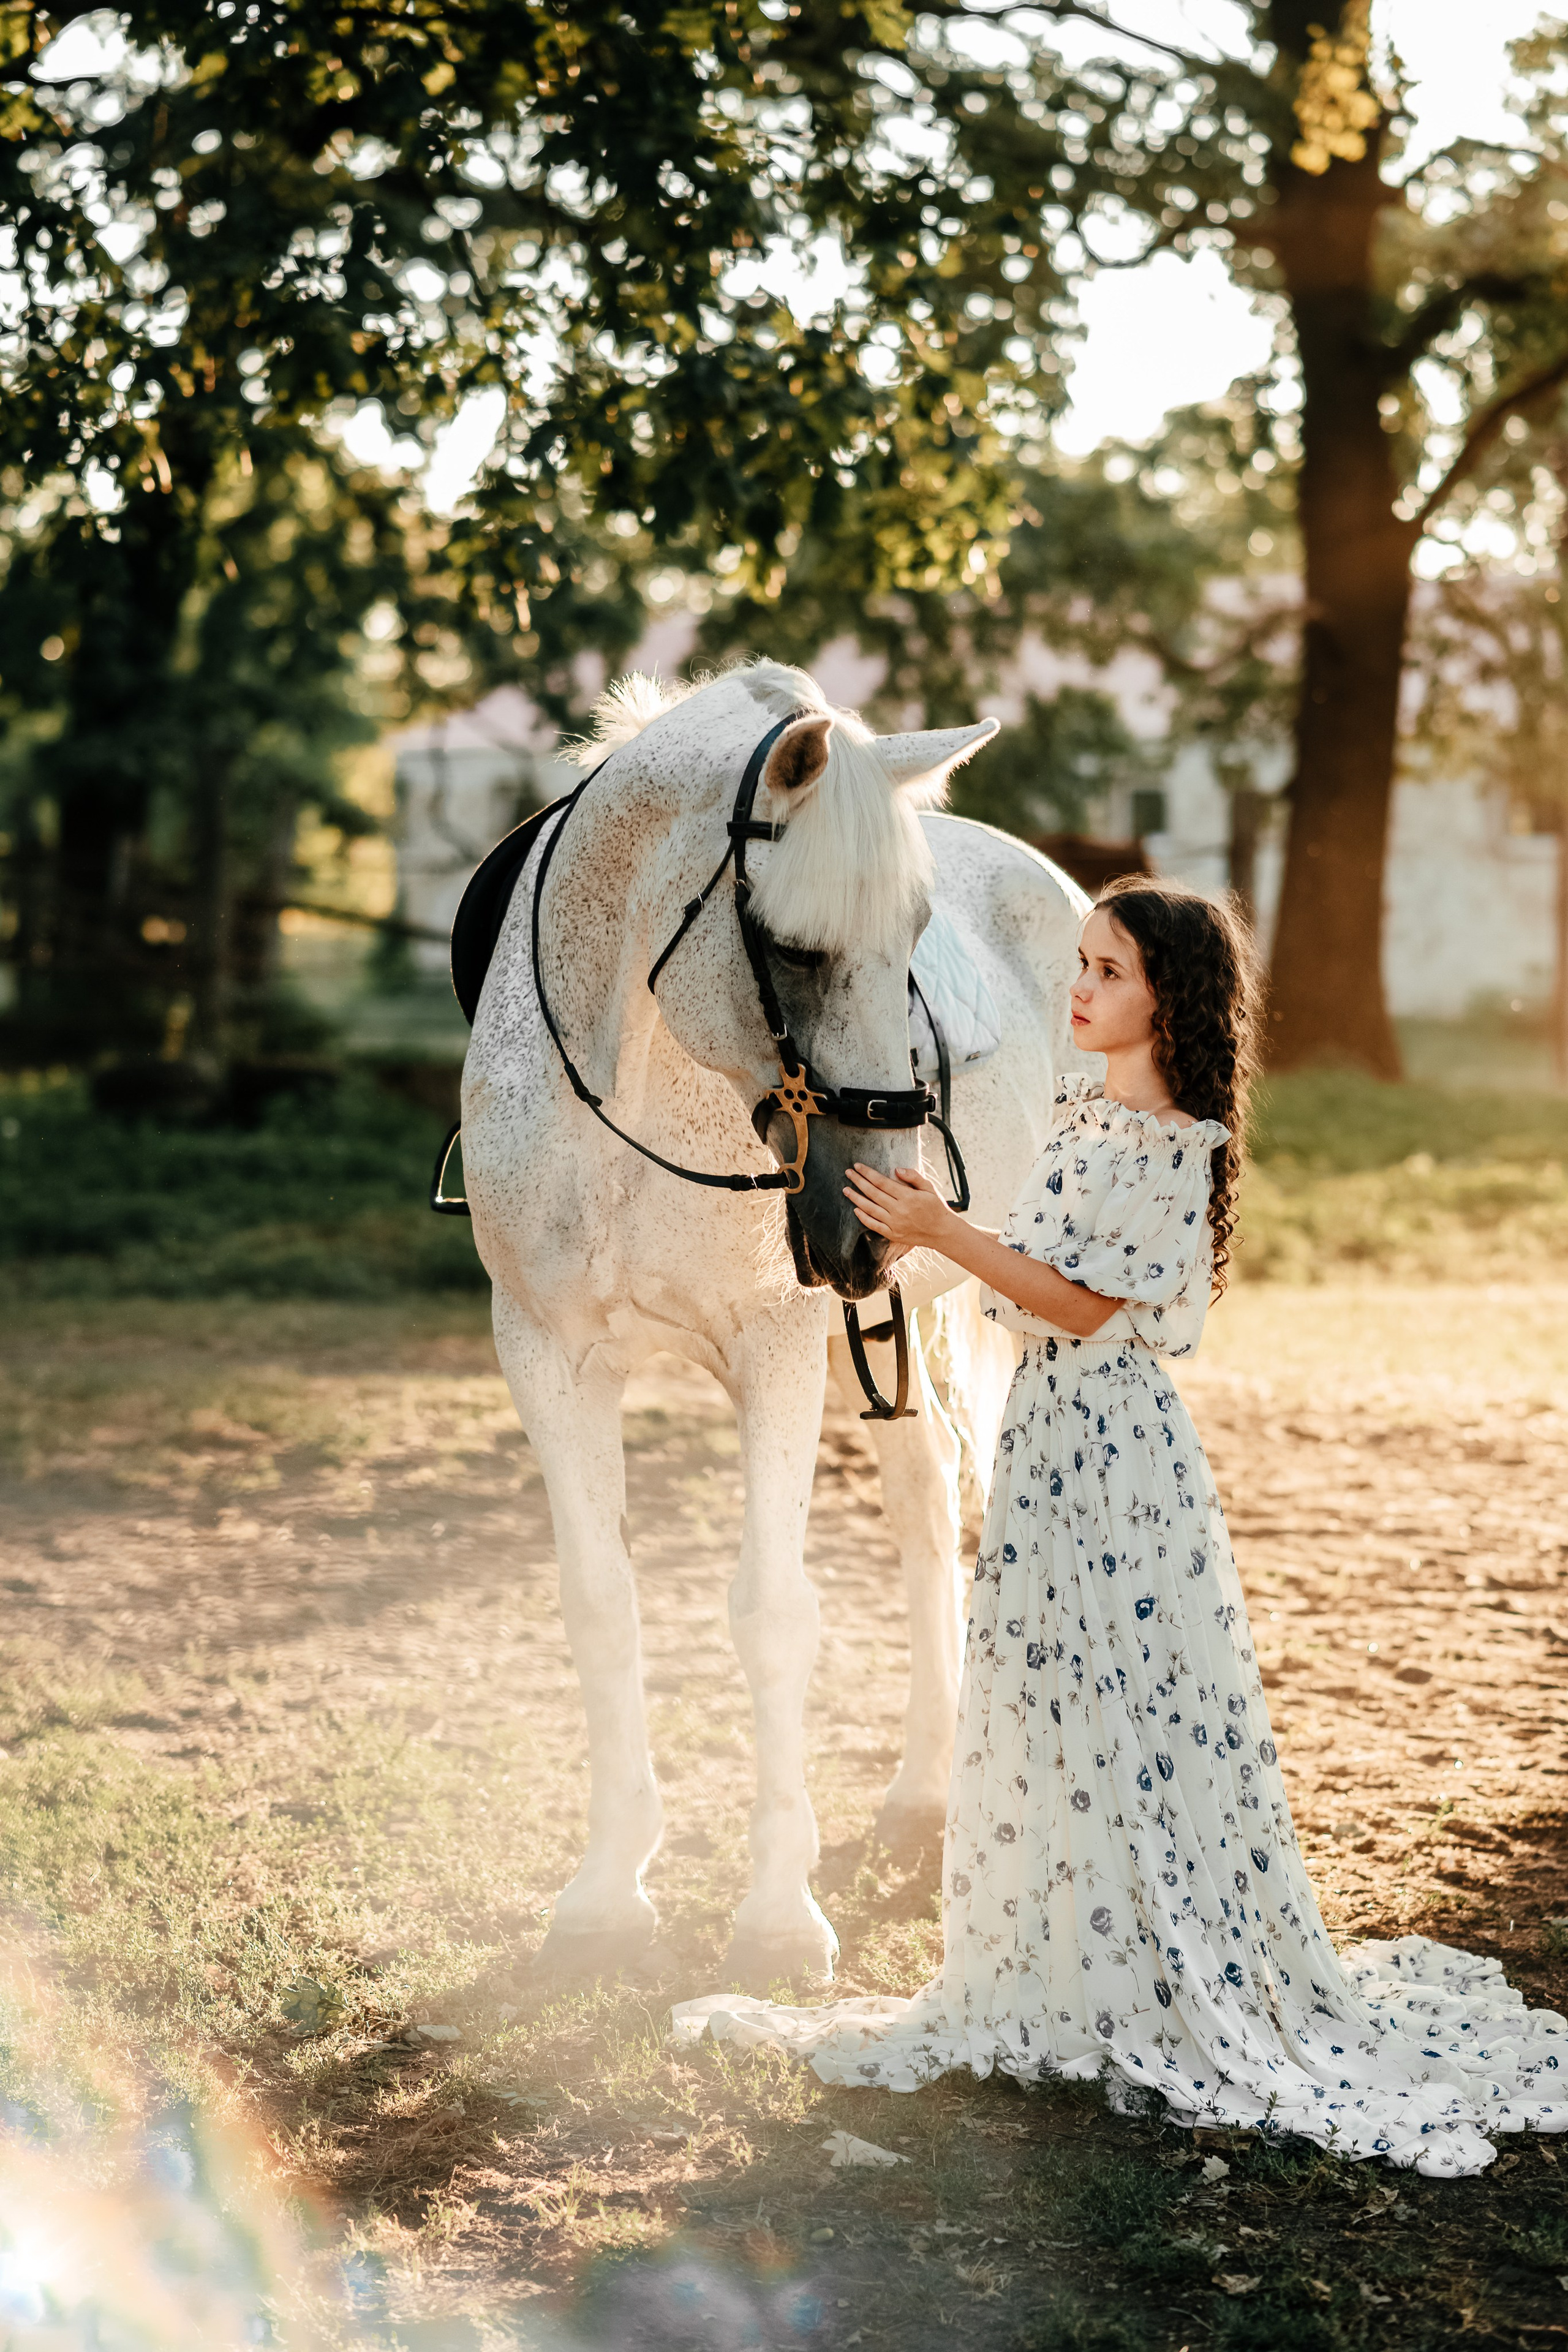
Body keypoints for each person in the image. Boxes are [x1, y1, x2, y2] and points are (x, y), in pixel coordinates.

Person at [673, 876, 1567, 2176]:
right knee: (1051, 1694)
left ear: (1169, 1000)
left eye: (1107, 972)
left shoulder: (1172, 1143)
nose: (1079, 988)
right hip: (1051, 1437)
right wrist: (908, 1232)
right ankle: (1067, 1947)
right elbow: (1041, 1271)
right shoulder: (1088, 1112)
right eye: (1081, 963)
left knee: (1123, 1697)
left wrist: (943, 1230)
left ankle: (1147, 1959)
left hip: (1111, 1453)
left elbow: (1083, 1306)